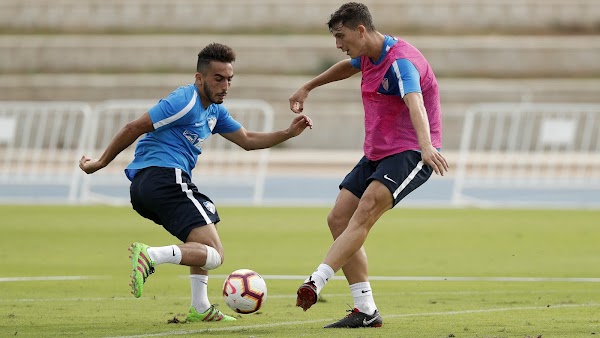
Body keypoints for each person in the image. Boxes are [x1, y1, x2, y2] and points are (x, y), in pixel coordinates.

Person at [79, 43, 313, 323]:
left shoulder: (214, 112)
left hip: (153, 185)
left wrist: (288, 133)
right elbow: (134, 127)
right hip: (163, 177)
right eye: (218, 79)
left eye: (229, 79)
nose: (225, 85)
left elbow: (248, 140)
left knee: (201, 243)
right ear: (199, 78)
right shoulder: (184, 100)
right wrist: (101, 162)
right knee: (214, 254)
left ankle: (200, 307)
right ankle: (151, 255)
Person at [289, 2, 449, 328]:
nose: (337, 43)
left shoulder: (401, 62)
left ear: (360, 30)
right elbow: (348, 67)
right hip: (377, 152)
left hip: (411, 153)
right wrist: (308, 86)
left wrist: (426, 146)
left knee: (364, 212)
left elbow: (414, 102)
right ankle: (365, 310)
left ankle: (315, 281)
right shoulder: (369, 55)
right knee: (338, 218)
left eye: (340, 36)